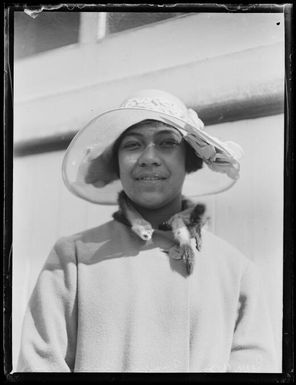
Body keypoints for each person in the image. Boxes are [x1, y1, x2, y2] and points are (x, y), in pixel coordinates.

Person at [17, 89, 277, 373]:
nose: (149, 157)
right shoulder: (73, 259)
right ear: (115, 162)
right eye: (132, 145)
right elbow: (39, 366)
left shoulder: (235, 271)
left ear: (189, 159)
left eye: (167, 143)